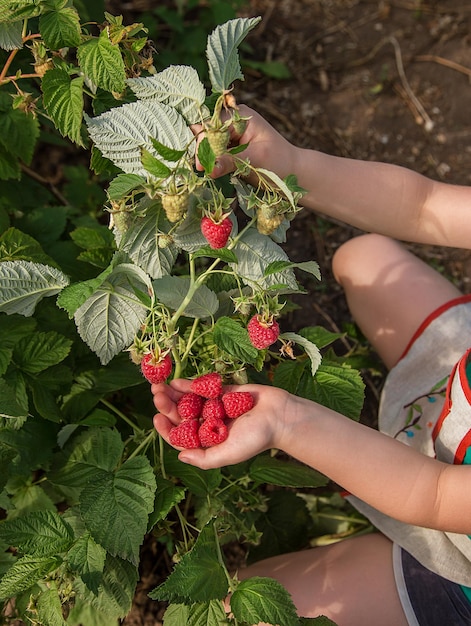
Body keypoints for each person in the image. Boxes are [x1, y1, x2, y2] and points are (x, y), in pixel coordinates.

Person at [151, 105, 471, 626]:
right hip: (453, 408)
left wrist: (285, 419)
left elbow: (430, 494)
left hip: (458, 546)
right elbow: (424, 204)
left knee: (251, 607)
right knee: (364, 258)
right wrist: (288, 163)